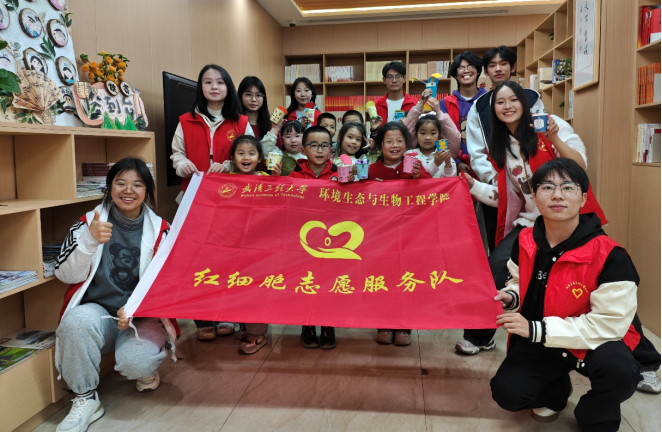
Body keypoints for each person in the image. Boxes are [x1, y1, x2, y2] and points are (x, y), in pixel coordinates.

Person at [490, 158, 641, 431]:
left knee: (621, 372)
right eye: (547, 187)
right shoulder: (524, 240)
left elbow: (609, 323)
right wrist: (512, 297)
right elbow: (518, 281)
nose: (557, 195)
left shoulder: (610, 254)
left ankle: (595, 412)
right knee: (507, 392)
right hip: (540, 340)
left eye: (568, 187)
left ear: (583, 199)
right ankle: (555, 392)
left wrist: (536, 329)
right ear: (535, 197)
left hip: (592, 340)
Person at [456, 80, 603, 356]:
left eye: (514, 99)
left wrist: (553, 138)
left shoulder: (550, 125)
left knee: (602, 278)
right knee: (494, 270)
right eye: (500, 102)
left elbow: (580, 166)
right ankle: (479, 336)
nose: (507, 106)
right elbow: (505, 197)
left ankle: (642, 358)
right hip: (532, 224)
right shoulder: (501, 148)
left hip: (573, 220)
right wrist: (472, 186)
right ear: (493, 111)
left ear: (524, 103)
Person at [53, 157, 179, 432]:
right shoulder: (88, 222)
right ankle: (86, 398)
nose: (128, 190)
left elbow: (171, 285)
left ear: (147, 190)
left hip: (142, 316)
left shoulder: (162, 230)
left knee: (137, 363)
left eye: (137, 184)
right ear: (109, 187)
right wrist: (88, 241)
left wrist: (134, 309)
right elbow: (64, 274)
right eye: (121, 183)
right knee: (75, 322)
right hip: (98, 313)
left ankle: (146, 368)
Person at [170, 64, 250, 339]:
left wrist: (229, 165)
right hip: (194, 198)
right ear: (200, 87)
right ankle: (202, 318)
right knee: (197, 257)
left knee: (228, 257)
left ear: (228, 87)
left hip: (231, 200)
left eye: (220, 82)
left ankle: (227, 314)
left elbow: (251, 155)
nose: (214, 87)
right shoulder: (185, 120)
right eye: (208, 82)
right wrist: (182, 165)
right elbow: (176, 153)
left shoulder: (240, 122)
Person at [284, 125, 344, 349]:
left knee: (329, 283)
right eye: (314, 145)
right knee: (306, 283)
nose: (320, 150)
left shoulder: (340, 174)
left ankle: (328, 325)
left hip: (331, 242)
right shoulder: (294, 175)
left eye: (325, 145)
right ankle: (307, 325)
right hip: (302, 242)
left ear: (331, 150)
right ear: (303, 149)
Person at [439, 51, 488, 173]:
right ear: (456, 75)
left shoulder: (489, 99)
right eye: (461, 67)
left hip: (487, 163)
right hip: (456, 165)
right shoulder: (445, 103)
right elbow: (441, 136)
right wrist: (455, 161)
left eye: (470, 66)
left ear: (478, 71)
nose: (466, 70)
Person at [237, 76, 283, 166]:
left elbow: (278, 154)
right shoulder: (235, 124)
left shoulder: (272, 126)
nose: (253, 99)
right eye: (248, 94)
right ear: (240, 96)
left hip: (267, 173)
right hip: (242, 173)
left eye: (258, 95)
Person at [367, 122, 432, 182]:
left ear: (406, 145)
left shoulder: (414, 165)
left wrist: (419, 176)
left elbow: (430, 184)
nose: (395, 145)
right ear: (380, 147)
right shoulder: (371, 170)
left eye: (400, 141)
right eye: (389, 141)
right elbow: (363, 187)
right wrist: (372, 185)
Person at [405, 114, 457, 178]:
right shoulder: (409, 155)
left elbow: (451, 182)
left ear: (439, 136)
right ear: (416, 135)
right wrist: (435, 164)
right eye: (423, 133)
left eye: (433, 133)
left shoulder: (445, 156)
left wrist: (448, 164)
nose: (428, 137)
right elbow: (408, 179)